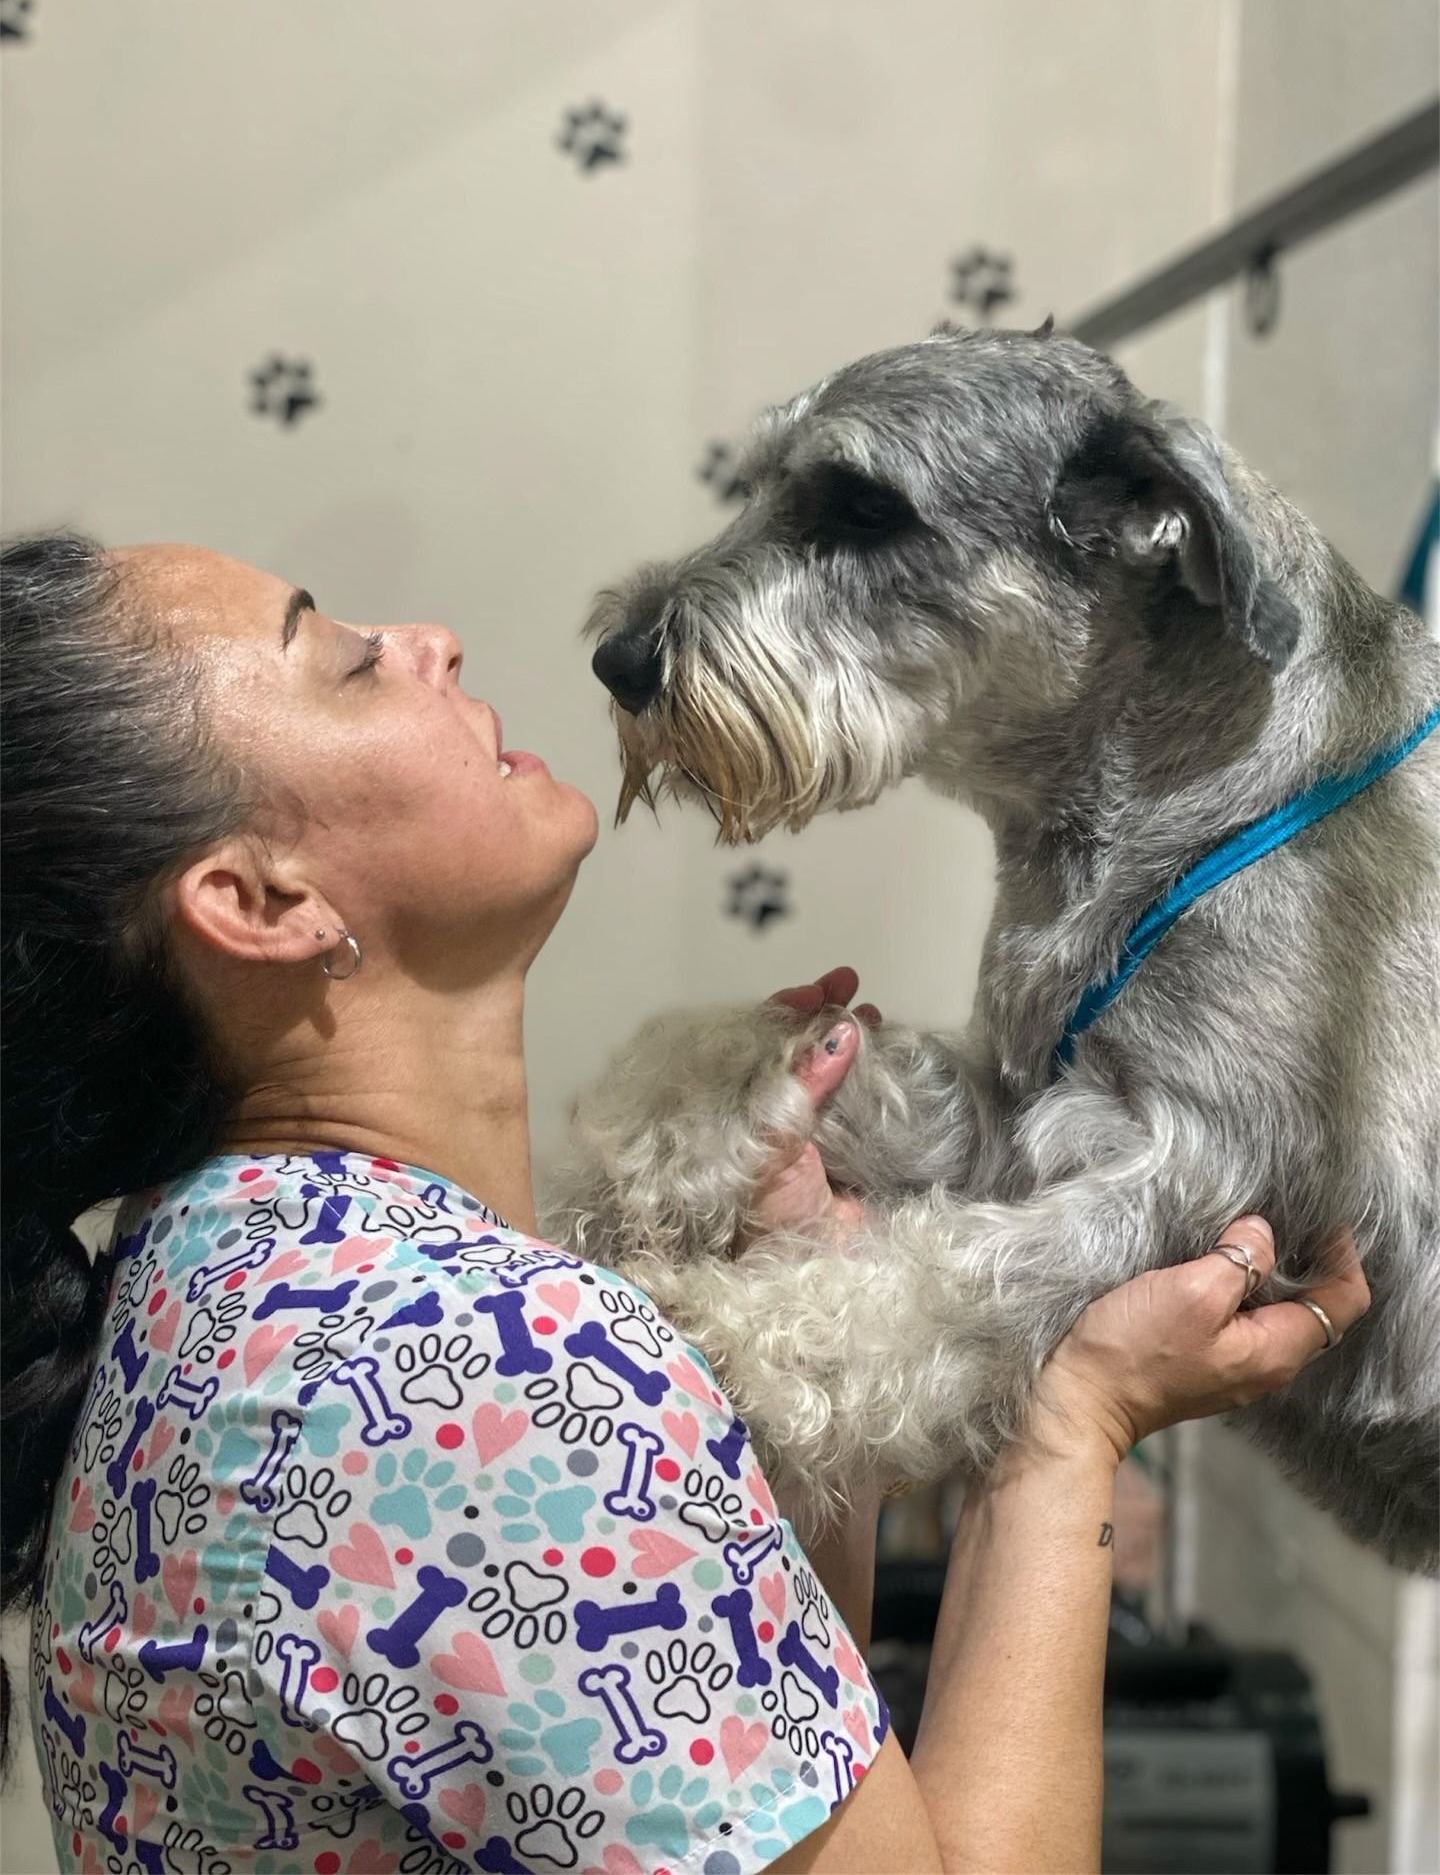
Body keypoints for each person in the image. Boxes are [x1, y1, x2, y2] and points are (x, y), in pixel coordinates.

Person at [1, 532, 1369, 1875]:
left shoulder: (212, 1286)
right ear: (259, 901)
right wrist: (1069, 1433)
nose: (432, 643)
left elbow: (727, 1788)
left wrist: (797, 1312)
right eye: (351, 663)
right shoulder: (468, 1379)